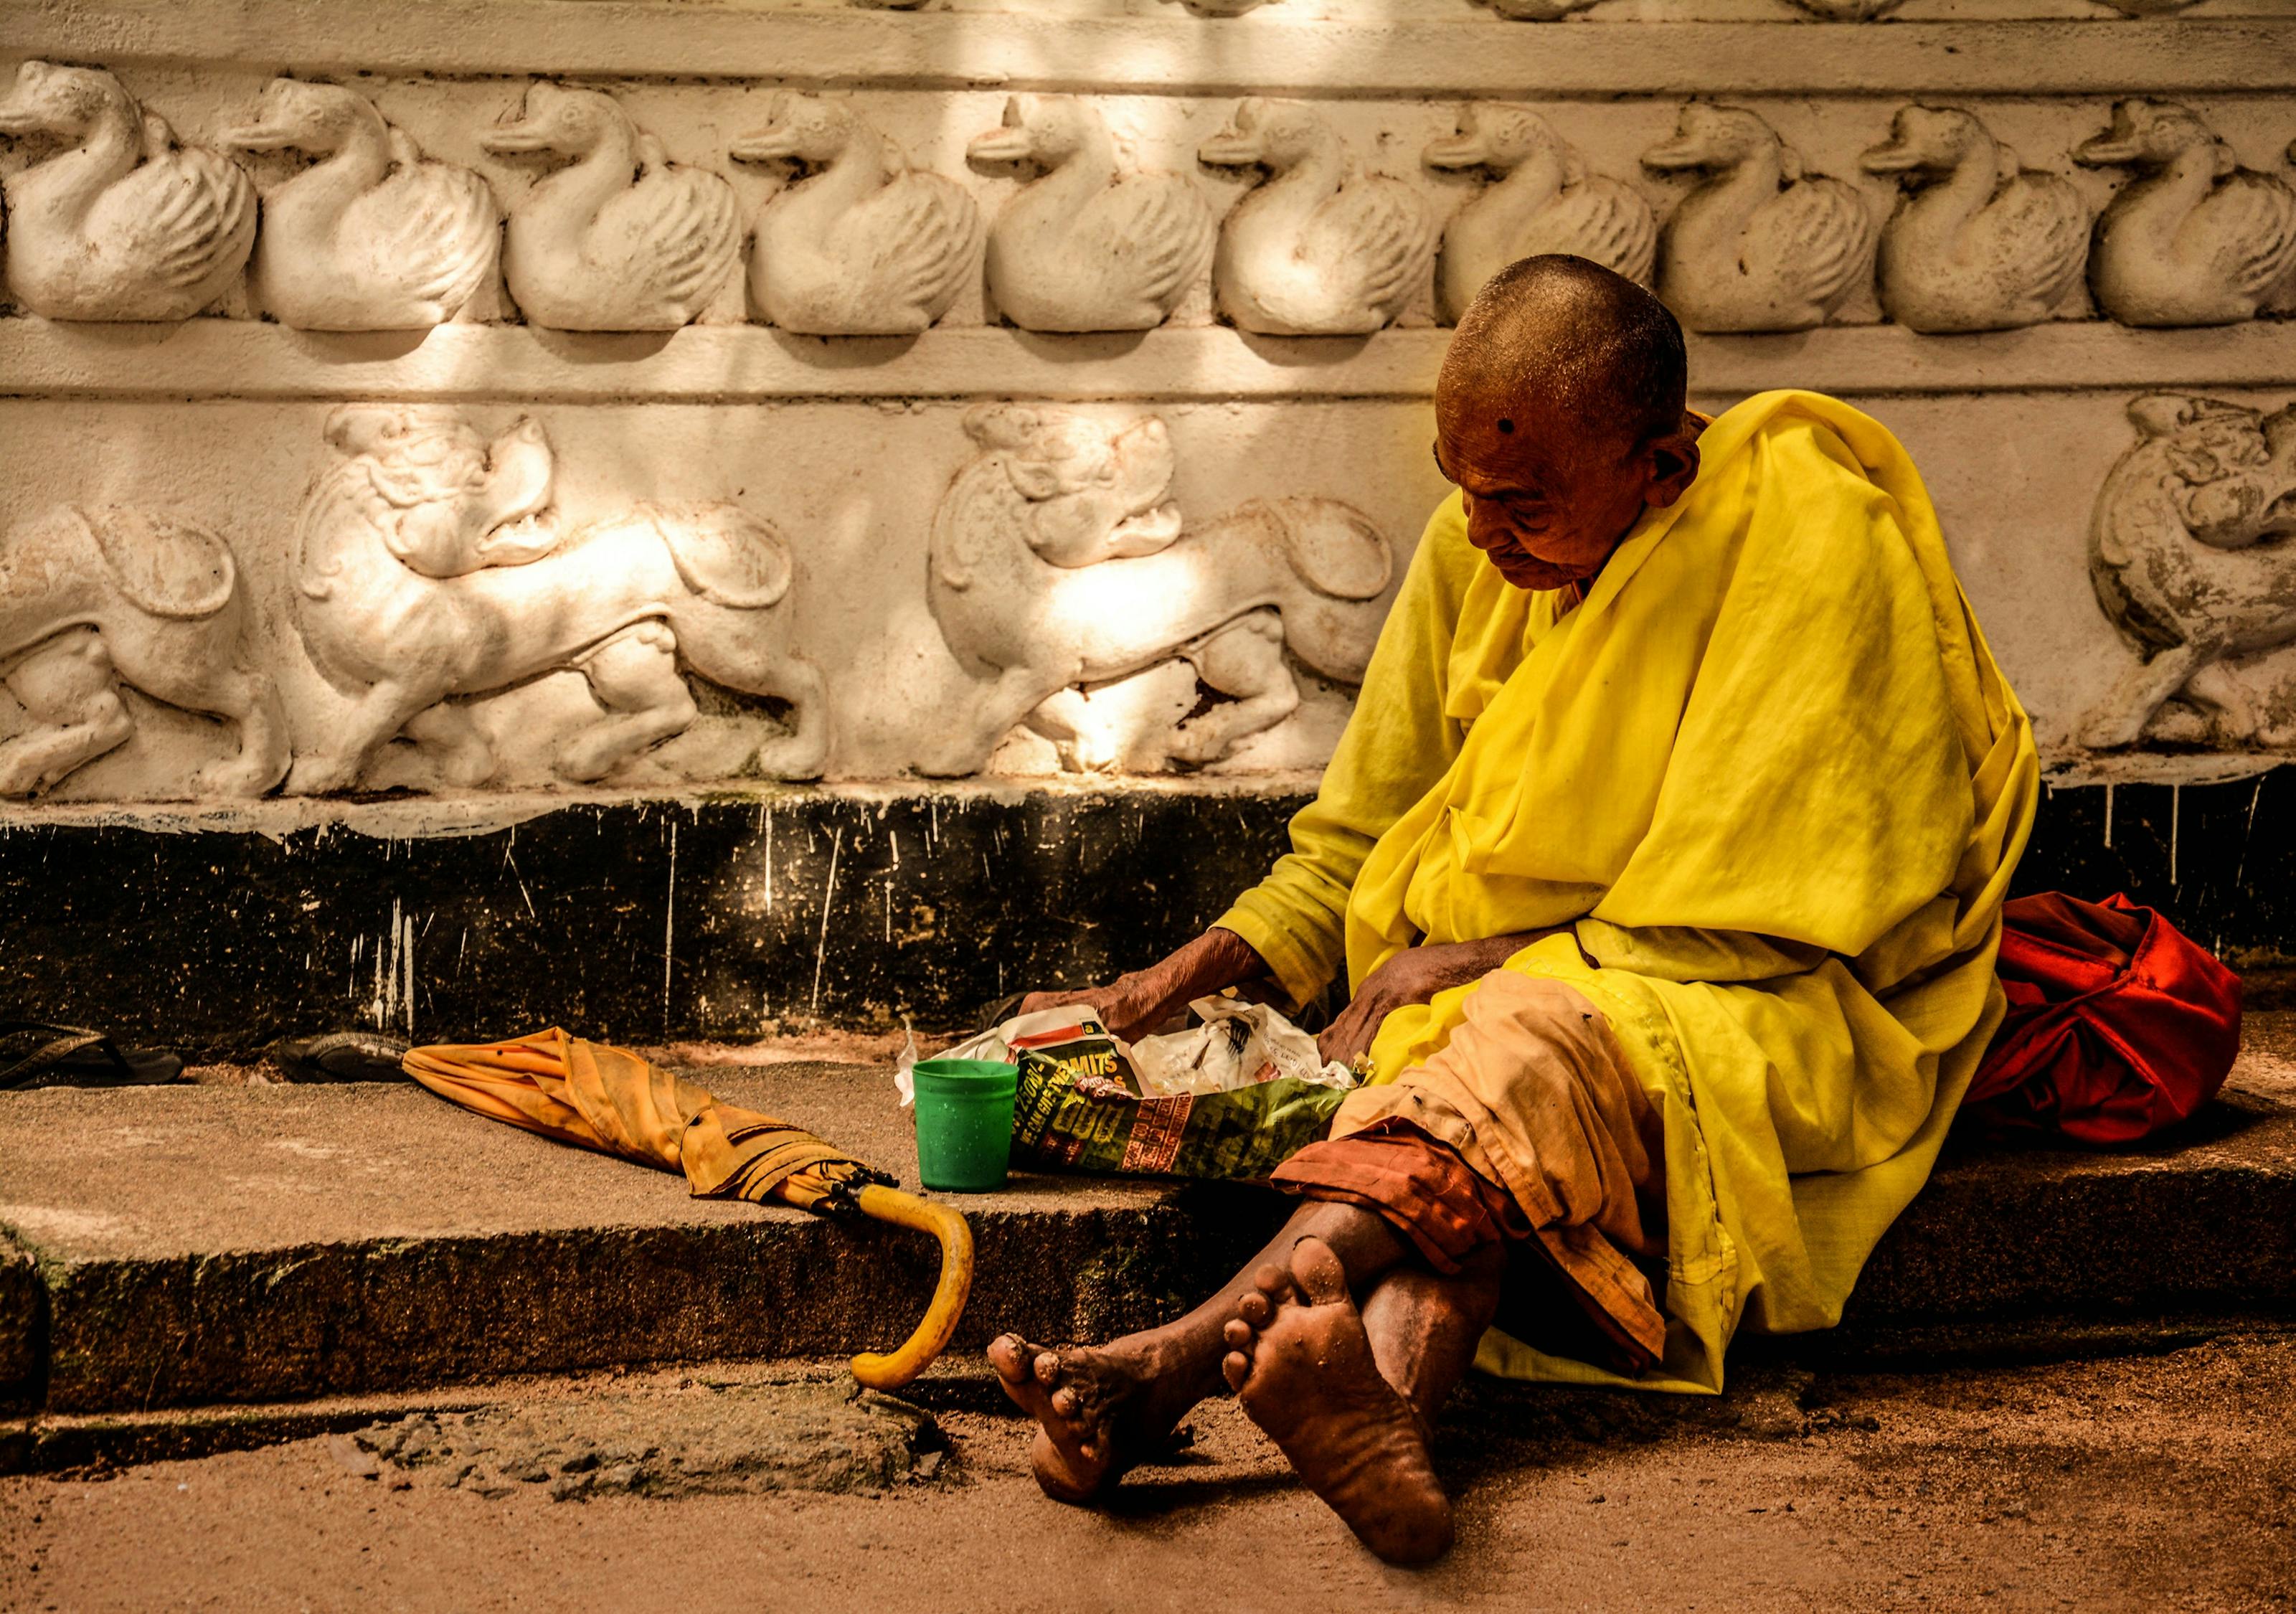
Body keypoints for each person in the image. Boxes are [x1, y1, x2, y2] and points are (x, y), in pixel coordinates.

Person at [991, 254, 2038, 1565]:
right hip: (1499, 1037)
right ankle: (1388, 1427)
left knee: (1517, 1042)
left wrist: (1465, 963)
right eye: (1462, 491)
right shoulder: (1476, 542)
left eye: (1520, 503)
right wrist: (1154, 988)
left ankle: (1177, 1360)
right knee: (1487, 1091)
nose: (1481, 536)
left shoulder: (1809, 535)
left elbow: (1782, 907)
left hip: (1769, 1006)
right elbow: (1358, 835)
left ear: (1657, 471)